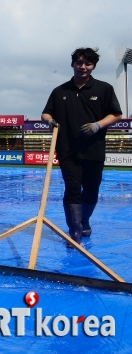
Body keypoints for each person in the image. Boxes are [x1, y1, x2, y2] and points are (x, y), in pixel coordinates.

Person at [42, 48, 122, 245]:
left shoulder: (104, 89)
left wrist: (97, 125)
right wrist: (50, 121)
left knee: (91, 191)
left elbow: (116, 114)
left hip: (94, 150)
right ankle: (75, 232)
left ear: (93, 66)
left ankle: (84, 221)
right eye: (79, 63)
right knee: (72, 189)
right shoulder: (60, 91)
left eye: (88, 63)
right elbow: (46, 113)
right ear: (73, 64)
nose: (83, 67)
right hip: (67, 149)